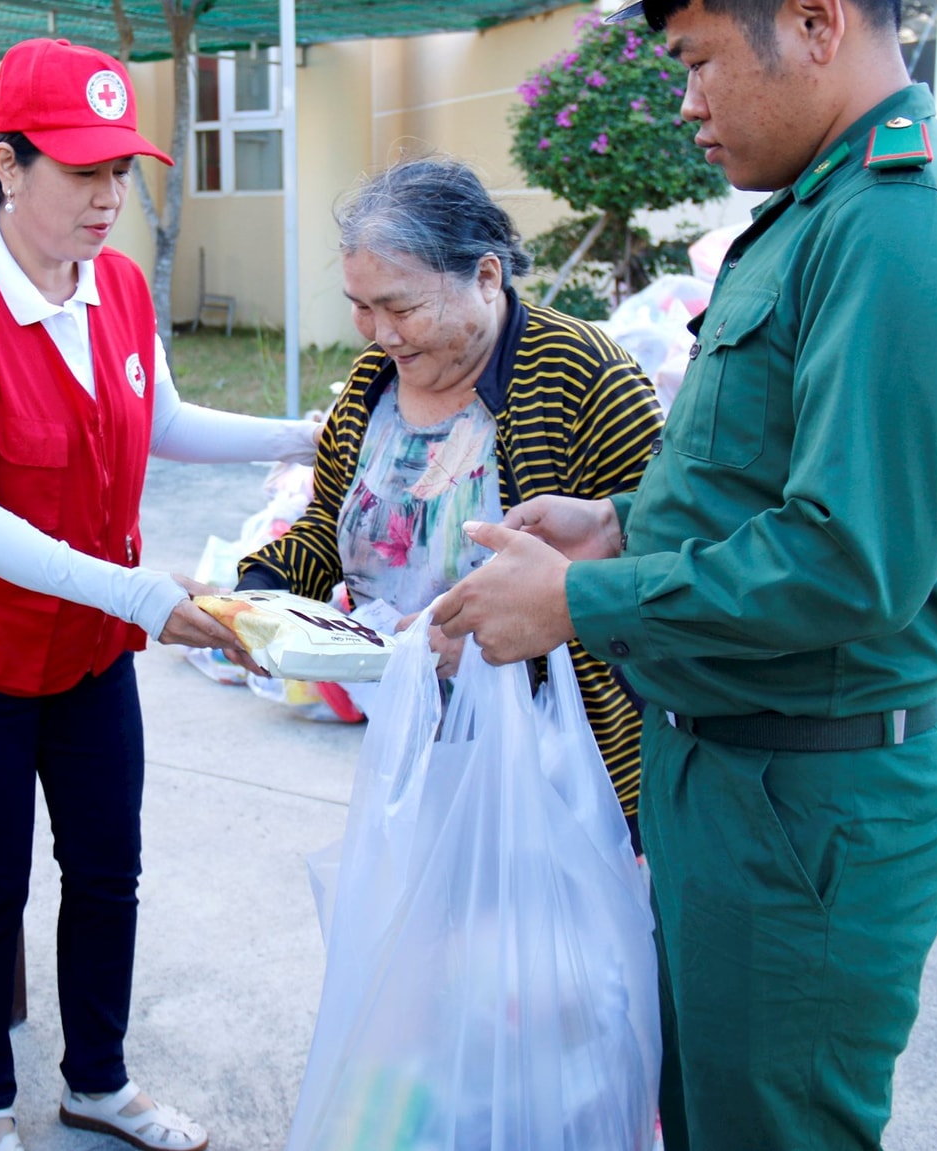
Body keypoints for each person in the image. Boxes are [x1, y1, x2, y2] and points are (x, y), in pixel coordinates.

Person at [433, 0, 937, 1148]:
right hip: (740, 776)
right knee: (705, 1117)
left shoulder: (908, 225)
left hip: (809, 806)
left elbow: (850, 559)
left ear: (817, 20)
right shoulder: (824, 211)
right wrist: (617, 525)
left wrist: (579, 602)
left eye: (702, 64)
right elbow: (763, 479)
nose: (688, 104)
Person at [0, 37, 320, 1151]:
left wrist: (306, 434)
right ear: (6, 165)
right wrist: (134, 591)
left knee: (108, 867)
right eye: (81, 172)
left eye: (120, 170)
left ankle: (100, 1080)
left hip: (84, 649)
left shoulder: (117, 286)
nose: (109, 197)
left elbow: (159, 418)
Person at [237, 157, 662, 841]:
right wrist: (259, 593)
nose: (381, 332)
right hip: (418, 745)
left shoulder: (582, 374)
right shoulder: (373, 380)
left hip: (567, 769)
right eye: (361, 306)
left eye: (401, 307)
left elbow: (663, 552)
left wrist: (512, 647)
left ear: (487, 276)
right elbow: (331, 521)